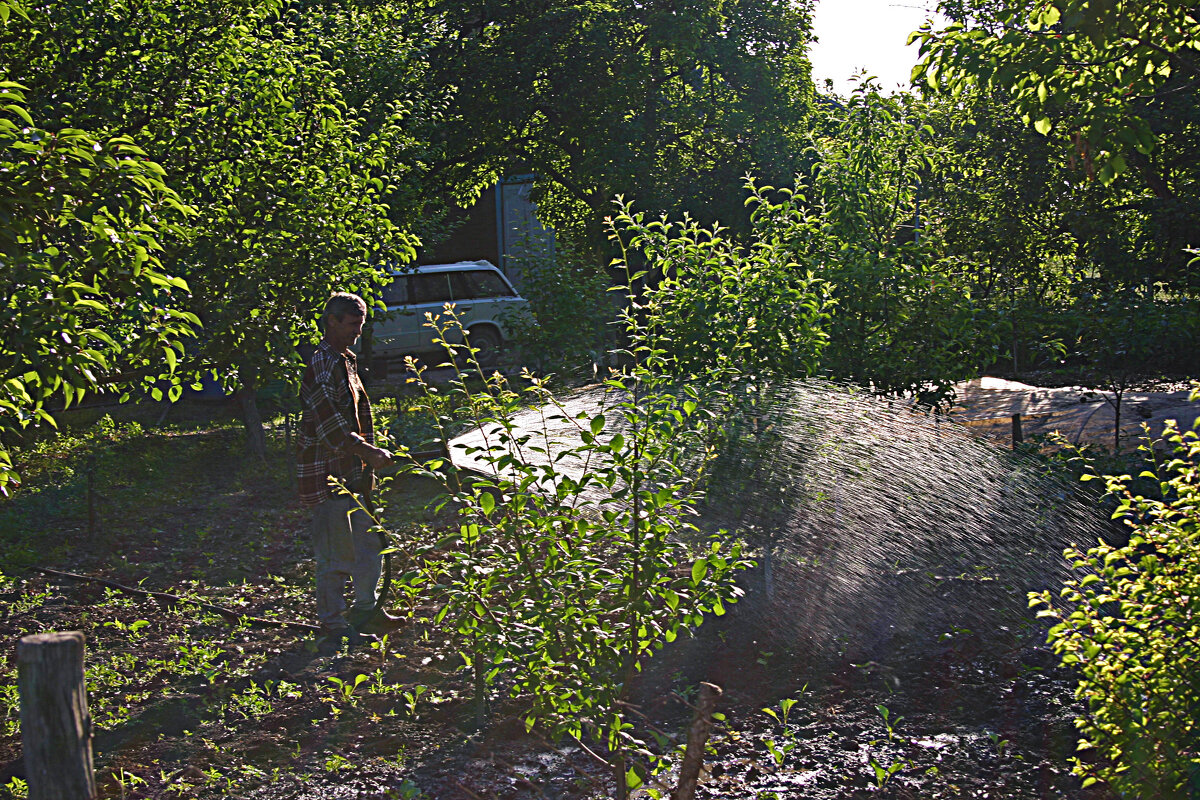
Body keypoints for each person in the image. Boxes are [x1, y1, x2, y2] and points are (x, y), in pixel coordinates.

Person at [297, 292, 401, 647]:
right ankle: (332, 621)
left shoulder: (347, 360)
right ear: (332, 322)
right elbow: (329, 425)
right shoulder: (321, 364)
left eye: (361, 323)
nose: (358, 331)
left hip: (352, 474)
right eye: (353, 324)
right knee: (335, 552)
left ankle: (366, 610)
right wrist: (368, 451)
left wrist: (367, 458)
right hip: (327, 475)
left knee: (369, 546)